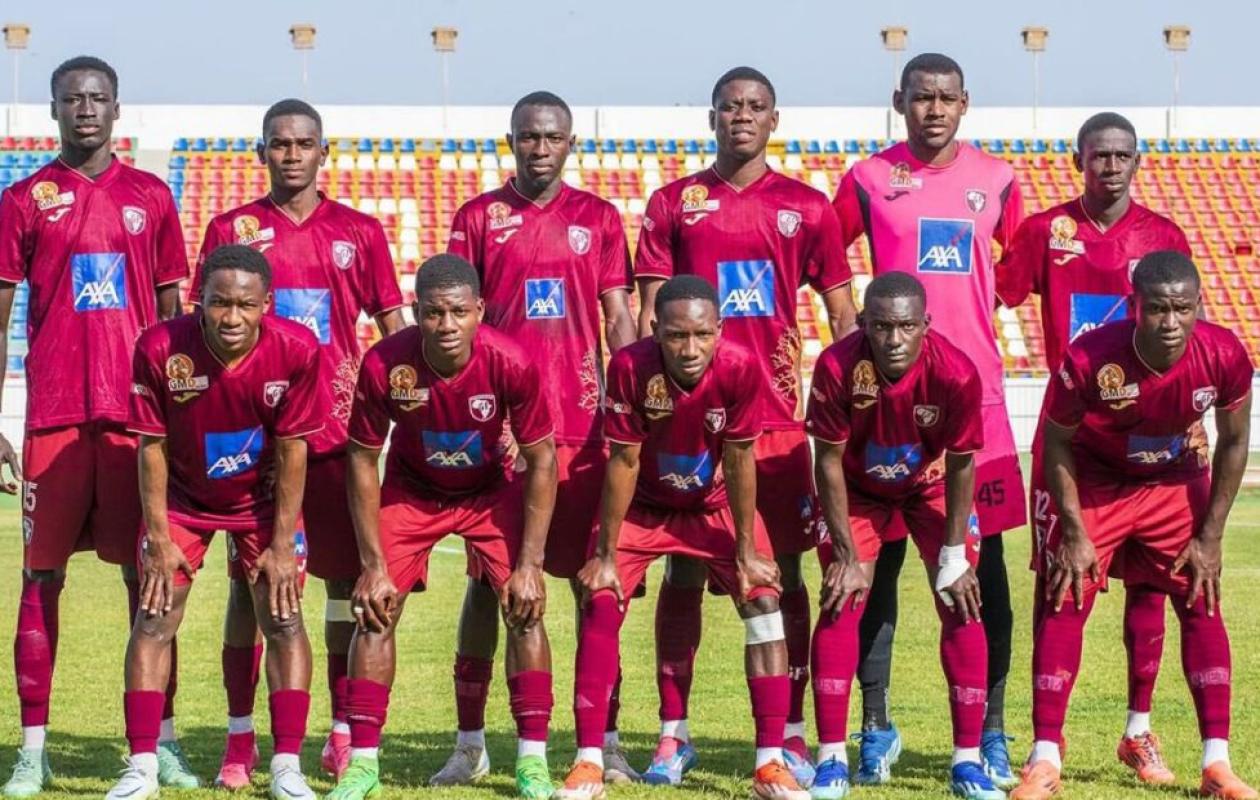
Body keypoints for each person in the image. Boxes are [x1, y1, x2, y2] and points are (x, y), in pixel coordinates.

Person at [633, 66, 858, 786]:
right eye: (730, 107)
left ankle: (789, 731)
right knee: (683, 566)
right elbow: (647, 318)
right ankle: (675, 733)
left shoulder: (807, 207)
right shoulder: (675, 203)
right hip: (690, 424)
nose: (741, 117)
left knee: (779, 570)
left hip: (776, 423)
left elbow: (843, 312)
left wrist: (853, 397)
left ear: (774, 119)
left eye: (755, 107)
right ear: (711, 118)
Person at [191, 98, 405, 788]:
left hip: (337, 436)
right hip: (252, 443)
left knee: (345, 588)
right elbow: (200, 329)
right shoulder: (232, 229)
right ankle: (237, 739)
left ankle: (341, 733)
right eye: (278, 144)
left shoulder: (361, 232)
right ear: (261, 152)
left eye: (302, 143)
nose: (291, 154)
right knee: (250, 590)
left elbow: (394, 326)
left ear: (323, 151)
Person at [0, 55, 192, 798]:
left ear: (117, 109)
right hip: (52, 416)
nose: (85, 109)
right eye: (72, 98)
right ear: (52, 110)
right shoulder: (24, 199)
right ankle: (33, 751)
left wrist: (184, 416)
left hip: (134, 423)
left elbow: (176, 321)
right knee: (38, 579)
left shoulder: (150, 197)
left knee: (147, 582)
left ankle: (158, 745)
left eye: (98, 98)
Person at [831, 51, 1024, 786]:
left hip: (979, 410)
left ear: (965, 103)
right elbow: (826, 260)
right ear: (898, 101)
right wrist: (850, 335)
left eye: (945, 98)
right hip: (885, 407)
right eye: (920, 97)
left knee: (983, 576)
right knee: (874, 573)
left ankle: (993, 732)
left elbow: (1023, 272)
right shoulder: (871, 179)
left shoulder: (999, 180)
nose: (933, 109)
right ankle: (876, 727)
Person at [438, 90, 638, 787]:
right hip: (502, 435)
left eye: (552, 136)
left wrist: (631, 401)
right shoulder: (477, 219)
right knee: (488, 586)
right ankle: (470, 743)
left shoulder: (600, 219)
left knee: (594, 587)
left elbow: (619, 318)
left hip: (582, 430)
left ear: (571, 142)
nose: (540, 146)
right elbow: (459, 324)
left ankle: (602, 740)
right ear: (511, 140)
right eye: (528, 136)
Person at [1010, 251, 1257, 800]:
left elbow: (1235, 440)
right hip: (1093, 475)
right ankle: (1045, 755)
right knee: (1065, 594)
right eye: (1158, 310)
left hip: (1172, 476)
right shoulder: (1090, 356)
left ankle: (1217, 763)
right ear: (1135, 306)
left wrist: (1210, 536)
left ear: (1198, 306)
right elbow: (1055, 443)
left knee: (1200, 594)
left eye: (1182, 310)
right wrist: (1073, 532)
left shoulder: (1223, 354)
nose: (1171, 323)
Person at [998, 111, 1192, 785]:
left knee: (1150, 590)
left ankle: (1139, 733)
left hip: (1149, 444)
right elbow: (991, 294)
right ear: (1078, 159)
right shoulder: (1044, 232)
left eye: (1122, 155)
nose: (1110, 166)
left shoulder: (1163, 236)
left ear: (1138, 161)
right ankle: (1044, 751)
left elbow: (1183, 330)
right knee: (1062, 590)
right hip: (1072, 442)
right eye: (1098, 155)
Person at [557, 274, 806, 800]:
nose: (689, 349)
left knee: (763, 602)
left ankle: (769, 764)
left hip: (712, 503)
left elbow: (740, 459)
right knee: (600, 602)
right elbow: (623, 459)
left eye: (700, 335)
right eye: (675, 337)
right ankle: (588, 763)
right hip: (643, 506)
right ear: (654, 329)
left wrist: (746, 552)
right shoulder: (628, 367)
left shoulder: (740, 368)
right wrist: (605, 555)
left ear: (720, 329)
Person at [328, 254, 558, 800]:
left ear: (479, 310)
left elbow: (542, 459)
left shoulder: (512, 360)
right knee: (376, 608)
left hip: (487, 491)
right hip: (412, 491)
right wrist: (371, 565)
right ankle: (362, 764)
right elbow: (361, 457)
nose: (447, 325)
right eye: (434, 314)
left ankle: (532, 761)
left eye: (458, 312)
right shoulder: (387, 362)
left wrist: (530, 564)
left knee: (524, 608)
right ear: (416, 313)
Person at [109, 244, 326, 800]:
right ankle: (141, 768)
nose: (232, 317)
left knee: (283, 619)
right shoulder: (160, 347)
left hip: (261, 504)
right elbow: (150, 446)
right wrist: (158, 537)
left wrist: (281, 543)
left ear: (267, 304)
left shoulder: (297, 349)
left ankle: (284, 767)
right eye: (219, 303)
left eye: (245, 305)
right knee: (154, 616)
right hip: (182, 501)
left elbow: (295, 449)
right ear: (196, 300)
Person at [806, 272, 1003, 800]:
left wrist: (955, 553)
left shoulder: (956, 373)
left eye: (906, 327)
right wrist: (846, 554)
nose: (894, 339)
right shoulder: (835, 366)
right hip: (856, 488)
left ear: (925, 326)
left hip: (931, 484)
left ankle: (966, 761)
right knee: (840, 597)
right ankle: (830, 759)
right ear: (865, 324)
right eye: (882, 327)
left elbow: (963, 464)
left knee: (960, 597)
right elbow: (825, 458)